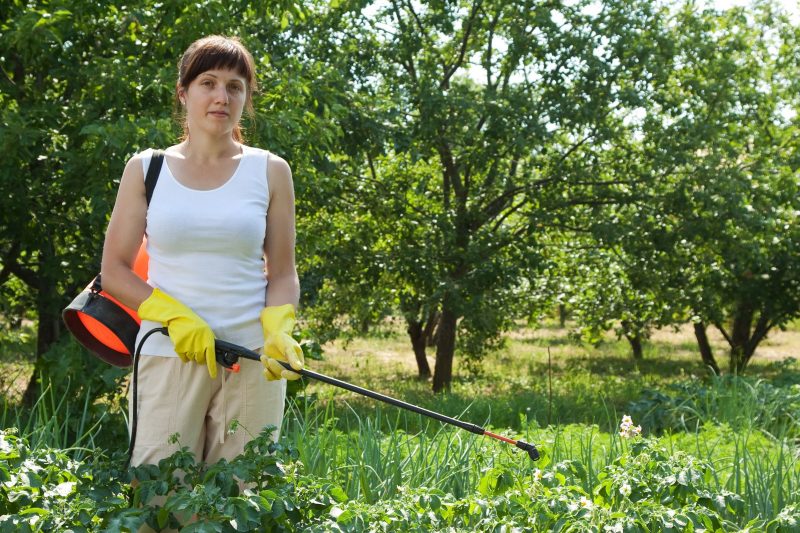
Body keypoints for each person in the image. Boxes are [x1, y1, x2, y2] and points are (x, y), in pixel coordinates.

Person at [101, 35, 304, 468]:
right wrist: (174, 315)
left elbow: (283, 271)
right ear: (183, 93)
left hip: (251, 358)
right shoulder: (147, 168)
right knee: (158, 496)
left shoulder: (270, 170)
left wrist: (279, 328)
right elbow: (115, 271)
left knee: (242, 498)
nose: (221, 96)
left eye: (235, 86)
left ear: (246, 98)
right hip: (167, 351)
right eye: (208, 82)